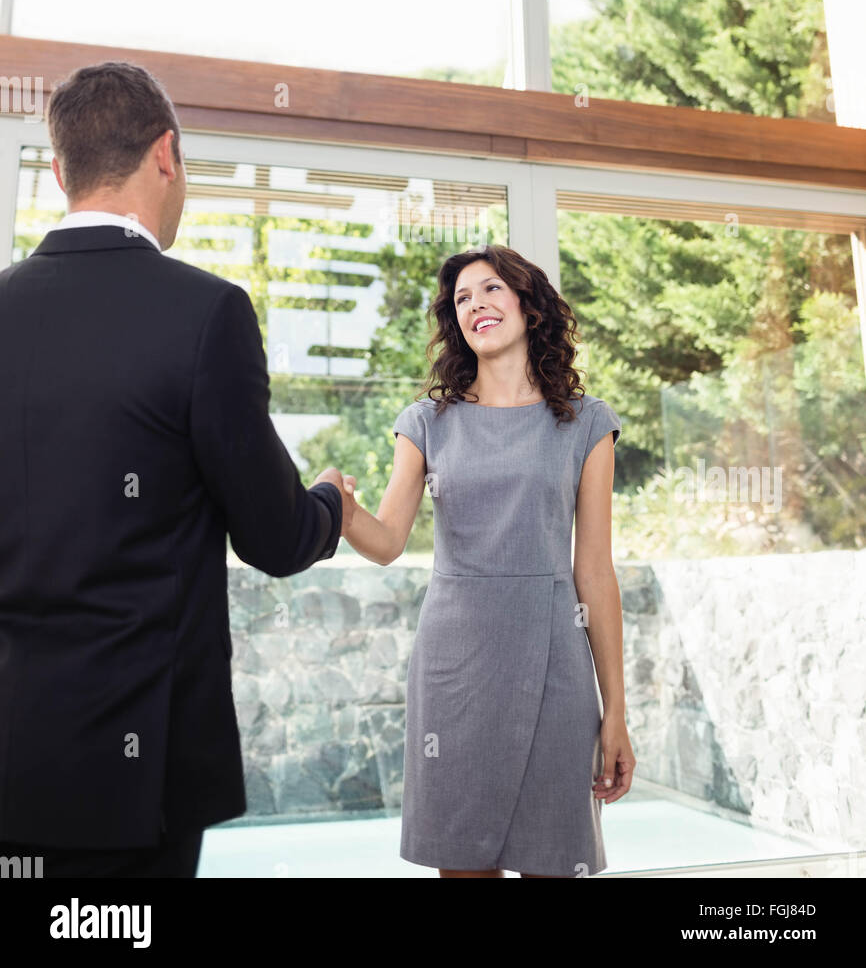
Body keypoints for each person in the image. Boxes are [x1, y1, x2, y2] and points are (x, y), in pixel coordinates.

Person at [0, 60, 356, 877]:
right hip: (137, 773)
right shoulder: (205, 314)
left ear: (61, 172)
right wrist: (330, 502)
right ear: (167, 154)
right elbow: (275, 534)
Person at [341, 243, 635, 877]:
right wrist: (338, 509)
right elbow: (387, 539)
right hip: (457, 674)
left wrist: (616, 711)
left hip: (558, 668)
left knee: (557, 861)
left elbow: (595, 574)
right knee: (463, 864)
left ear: (529, 306)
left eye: (491, 289)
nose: (475, 304)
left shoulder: (588, 425)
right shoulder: (425, 423)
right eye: (462, 299)